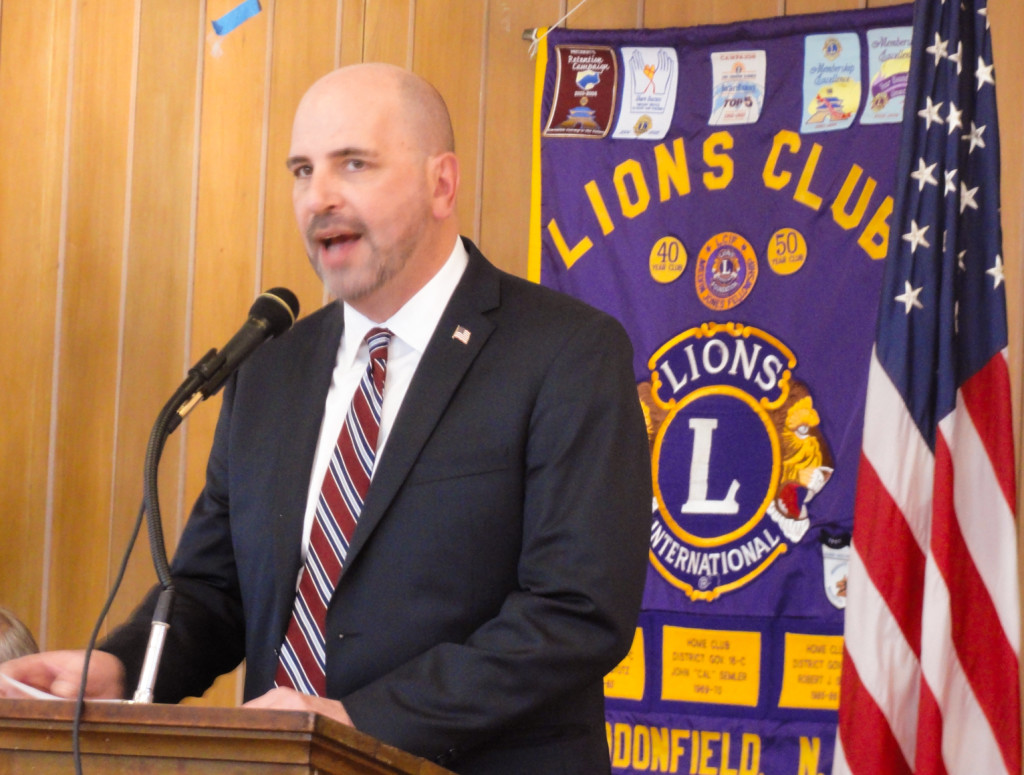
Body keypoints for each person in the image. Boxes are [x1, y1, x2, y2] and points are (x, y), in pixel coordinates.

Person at [0, 63, 651, 774]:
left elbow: (574, 610)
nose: (320, 198)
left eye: (354, 164)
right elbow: (215, 592)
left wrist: (357, 721)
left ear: (442, 183)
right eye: (302, 170)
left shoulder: (565, 351)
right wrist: (121, 667)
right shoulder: (271, 370)